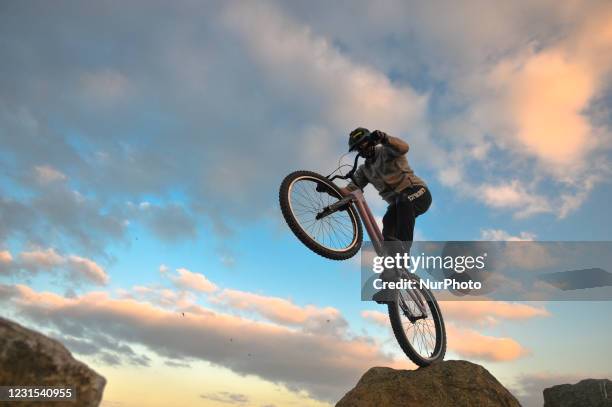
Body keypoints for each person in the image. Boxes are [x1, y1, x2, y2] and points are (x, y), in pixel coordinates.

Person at [339, 127, 432, 302]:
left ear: (371, 140)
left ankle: (404, 253)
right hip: (397, 206)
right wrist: (328, 188)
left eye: (364, 144)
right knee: (388, 230)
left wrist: (385, 139)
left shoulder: (387, 151)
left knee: (402, 201)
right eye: (358, 149)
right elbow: (350, 190)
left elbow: (403, 147)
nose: (362, 150)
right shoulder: (365, 170)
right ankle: (391, 284)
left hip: (418, 193)